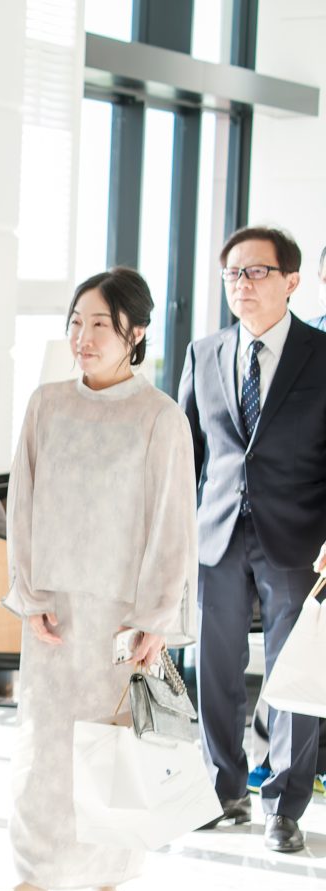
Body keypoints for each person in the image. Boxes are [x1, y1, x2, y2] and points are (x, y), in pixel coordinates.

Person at [0, 267, 197, 891]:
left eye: (100, 323)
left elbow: (172, 524)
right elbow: (23, 506)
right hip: (56, 611)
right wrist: (28, 593)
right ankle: (33, 882)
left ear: (136, 332)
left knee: (114, 749)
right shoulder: (47, 404)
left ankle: (109, 885)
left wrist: (156, 617)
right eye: (76, 322)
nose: (83, 336)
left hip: (122, 616)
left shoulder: (160, 417)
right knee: (45, 745)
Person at [180, 225, 326, 855]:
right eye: (233, 273)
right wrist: (176, 534)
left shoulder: (321, 354)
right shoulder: (204, 353)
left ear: (291, 281)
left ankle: (285, 805)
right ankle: (224, 789)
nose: (241, 283)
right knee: (214, 666)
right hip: (216, 536)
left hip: (298, 537)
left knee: (293, 671)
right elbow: (186, 454)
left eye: (256, 271)